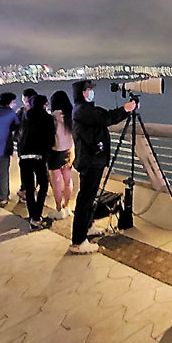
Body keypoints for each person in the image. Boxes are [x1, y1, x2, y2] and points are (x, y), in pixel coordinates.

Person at [69, 80, 135, 254]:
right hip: (90, 161)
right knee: (85, 199)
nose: (91, 92)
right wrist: (125, 109)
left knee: (88, 197)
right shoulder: (83, 110)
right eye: (88, 90)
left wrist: (125, 111)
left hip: (91, 160)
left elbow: (103, 118)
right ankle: (78, 241)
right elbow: (105, 118)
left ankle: (86, 228)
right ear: (82, 93)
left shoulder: (82, 110)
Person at [18, 94, 55, 229]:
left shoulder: (26, 116)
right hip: (39, 156)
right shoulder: (48, 118)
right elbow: (50, 140)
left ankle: (33, 217)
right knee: (43, 185)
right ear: (44, 105)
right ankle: (36, 216)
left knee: (29, 188)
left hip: (24, 155)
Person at [48, 90, 75, 220]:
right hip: (69, 152)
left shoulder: (51, 118)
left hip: (55, 153)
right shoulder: (71, 117)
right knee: (68, 181)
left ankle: (59, 209)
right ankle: (67, 206)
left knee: (56, 183)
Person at [15, 88, 38, 203]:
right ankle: (35, 190)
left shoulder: (21, 111)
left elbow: (14, 126)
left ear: (24, 98)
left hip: (24, 146)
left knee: (25, 170)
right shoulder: (41, 111)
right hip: (38, 146)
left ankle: (26, 191)